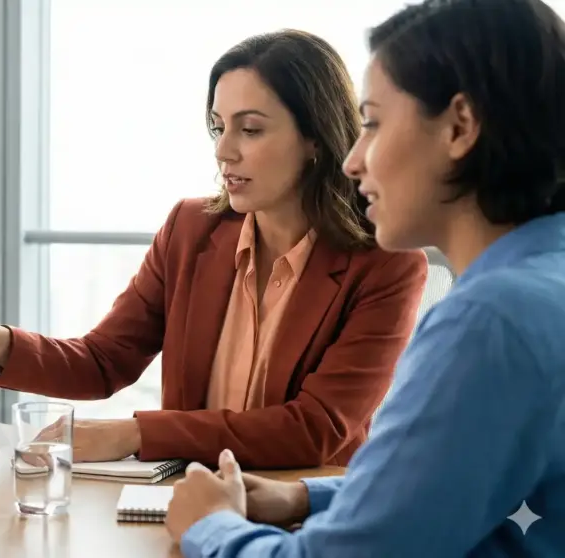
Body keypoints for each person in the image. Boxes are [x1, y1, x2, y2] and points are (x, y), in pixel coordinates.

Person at [164, 0, 565, 556]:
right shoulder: (547, 279)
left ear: (459, 127)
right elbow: (451, 482)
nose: (352, 160)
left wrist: (211, 525)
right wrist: (307, 497)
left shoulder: (488, 320)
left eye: (373, 122)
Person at [0, 29, 427, 468]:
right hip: (185, 500)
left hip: (303, 513)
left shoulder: (387, 264)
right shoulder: (191, 229)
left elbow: (313, 429)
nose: (223, 149)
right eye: (219, 126)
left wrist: (135, 433)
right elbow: (105, 360)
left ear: (315, 138)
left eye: (250, 129)